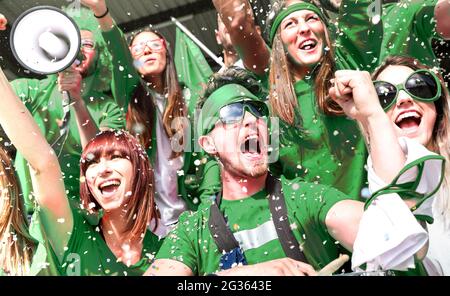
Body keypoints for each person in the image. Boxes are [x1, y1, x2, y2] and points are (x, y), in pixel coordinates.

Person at [146, 68, 430, 276]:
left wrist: (371, 115)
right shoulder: (191, 232)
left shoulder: (306, 199)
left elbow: (403, 242)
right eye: (232, 114)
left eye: (257, 112)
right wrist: (242, 278)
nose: (250, 121)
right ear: (208, 144)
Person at [1, 63, 163, 276]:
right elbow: (43, 163)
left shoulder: (168, 250)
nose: (102, 169)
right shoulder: (73, 231)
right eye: (92, 163)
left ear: (141, 170)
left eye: (115, 157)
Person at [213, 0, 383, 199]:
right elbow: (237, 22)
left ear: (326, 30)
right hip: (312, 224)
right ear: (279, 43)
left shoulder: (349, 62)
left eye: (311, 18)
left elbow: (363, 6)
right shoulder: (269, 85)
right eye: (290, 24)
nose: (304, 28)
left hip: (377, 214)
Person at [81, 0, 220, 235]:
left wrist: (207, 211)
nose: (146, 50)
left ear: (166, 51)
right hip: (146, 225)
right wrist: (100, 11)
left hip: (190, 220)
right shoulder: (129, 98)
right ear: (131, 61)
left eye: (154, 44)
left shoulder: (188, 100)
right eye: (137, 48)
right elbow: (117, 53)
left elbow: (206, 162)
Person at [330, 55, 450, 275]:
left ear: (437, 107)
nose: (404, 99)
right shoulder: (379, 196)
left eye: (419, 87)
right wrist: (371, 117)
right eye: (385, 96)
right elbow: (410, 249)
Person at [10, 7, 125, 215]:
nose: (79, 50)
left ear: (100, 56)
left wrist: (77, 100)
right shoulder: (32, 89)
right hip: (26, 212)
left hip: (79, 214)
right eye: (74, 43)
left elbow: (99, 155)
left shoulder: (108, 108)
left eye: (88, 45)